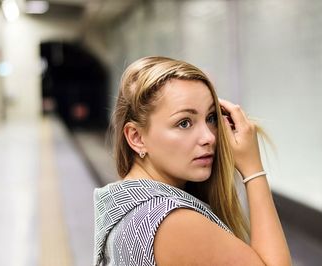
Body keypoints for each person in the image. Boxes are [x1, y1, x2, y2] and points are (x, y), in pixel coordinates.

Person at [93, 56, 292, 265]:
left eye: (211, 118)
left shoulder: (120, 205)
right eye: (184, 123)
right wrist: (253, 170)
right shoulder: (172, 220)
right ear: (136, 137)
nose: (209, 137)